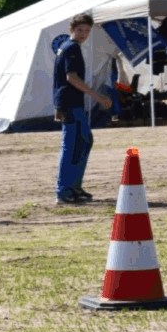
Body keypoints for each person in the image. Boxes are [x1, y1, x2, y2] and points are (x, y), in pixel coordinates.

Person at [53, 11, 111, 205]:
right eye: (80, 30)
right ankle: (64, 191)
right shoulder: (71, 48)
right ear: (71, 29)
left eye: (87, 30)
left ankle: (74, 187)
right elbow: (71, 77)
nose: (83, 34)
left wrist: (58, 104)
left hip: (70, 102)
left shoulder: (67, 47)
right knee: (72, 145)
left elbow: (59, 79)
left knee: (84, 141)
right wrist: (97, 96)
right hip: (71, 103)